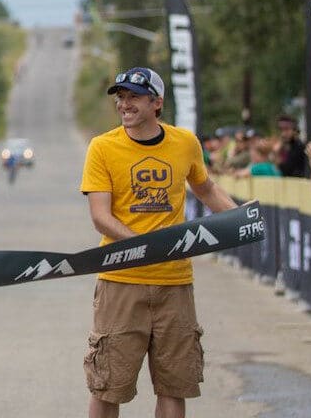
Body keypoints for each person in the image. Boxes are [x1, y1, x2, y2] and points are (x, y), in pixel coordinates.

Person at [80, 66, 236, 418]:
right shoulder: (103, 148)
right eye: (121, 97)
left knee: (173, 386)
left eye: (134, 96)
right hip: (122, 281)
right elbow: (100, 216)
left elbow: (206, 187)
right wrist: (143, 244)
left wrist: (242, 220)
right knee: (108, 386)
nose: (125, 104)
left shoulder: (184, 143)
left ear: (157, 102)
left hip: (174, 283)